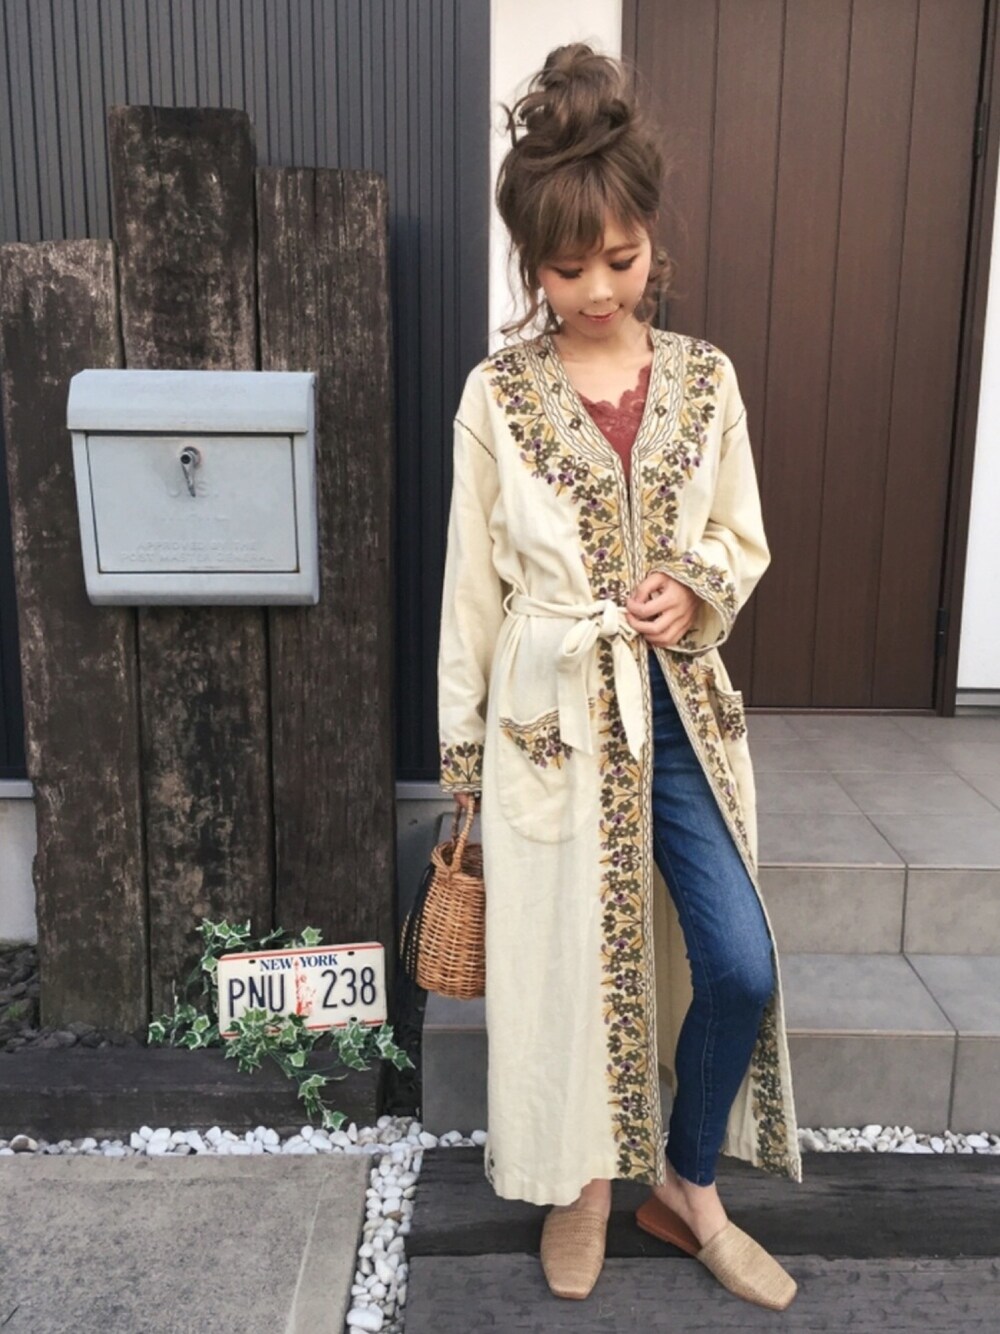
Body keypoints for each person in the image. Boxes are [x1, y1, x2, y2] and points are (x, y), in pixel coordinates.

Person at [437, 42, 802, 1311]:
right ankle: (583, 1184)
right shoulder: (497, 396)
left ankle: (685, 1182)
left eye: (621, 257)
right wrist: (465, 757)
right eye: (566, 267)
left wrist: (695, 586)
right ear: (530, 265)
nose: (597, 288)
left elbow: (740, 533)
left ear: (652, 242)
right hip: (549, 720)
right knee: (567, 973)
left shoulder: (706, 380)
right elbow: (471, 588)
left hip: (679, 712)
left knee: (739, 962)